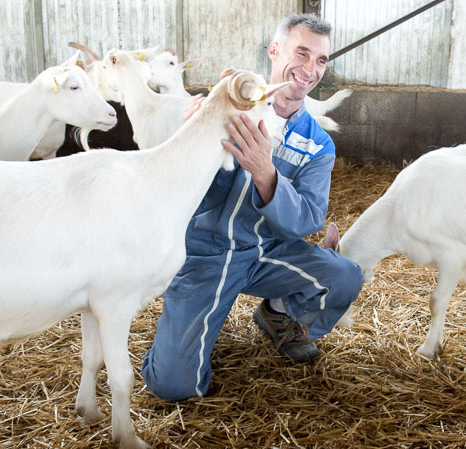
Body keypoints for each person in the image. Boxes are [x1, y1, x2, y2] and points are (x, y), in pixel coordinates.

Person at [140, 13, 363, 401]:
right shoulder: (227, 106)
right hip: (205, 253)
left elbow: (309, 217)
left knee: (344, 276)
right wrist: (190, 134)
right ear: (275, 51)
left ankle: (277, 313)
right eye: (302, 53)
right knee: (174, 386)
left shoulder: (317, 143)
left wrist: (266, 172)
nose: (310, 70)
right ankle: (177, 341)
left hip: (265, 252)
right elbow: (169, 180)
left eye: (321, 60)